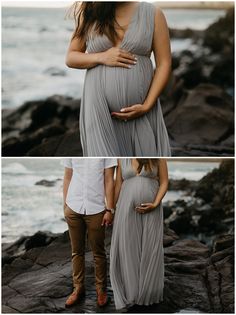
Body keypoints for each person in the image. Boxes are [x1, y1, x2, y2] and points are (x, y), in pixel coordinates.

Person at [66, 2, 171, 156]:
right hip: (98, 109)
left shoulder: (153, 14)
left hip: (142, 110)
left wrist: (147, 105)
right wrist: (101, 57)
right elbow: (71, 57)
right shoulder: (90, 13)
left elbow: (164, 63)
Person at [110, 159, 168, 310]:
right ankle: (132, 292)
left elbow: (164, 182)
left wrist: (155, 203)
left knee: (150, 247)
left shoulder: (157, 157)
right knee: (128, 248)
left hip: (152, 210)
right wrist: (110, 210)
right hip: (125, 207)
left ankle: (148, 291)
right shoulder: (121, 156)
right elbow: (118, 185)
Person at [62, 158, 117, 307]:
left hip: (97, 209)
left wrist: (109, 209)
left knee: (98, 252)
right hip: (73, 206)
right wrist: (65, 205)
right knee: (76, 251)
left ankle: (101, 291)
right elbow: (68, 176)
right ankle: (78, 288)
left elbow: (109, 180)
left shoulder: (107, 151)